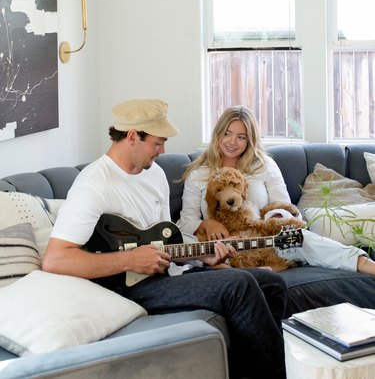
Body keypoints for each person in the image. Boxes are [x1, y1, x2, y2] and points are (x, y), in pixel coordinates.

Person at [42, 98, 288, 379]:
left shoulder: (154, 173)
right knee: (240, 284)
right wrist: (130, 259)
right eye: (157, 143)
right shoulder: (94, 184)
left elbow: (166, 241)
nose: (163, 150)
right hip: (126, 287)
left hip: (165, 275)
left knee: (273, 282)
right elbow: (55, 259)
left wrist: (200, 255)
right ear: (133, 137)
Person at [177, 105, 375, 276]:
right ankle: (237, 272)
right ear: (217, 134)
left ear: (249, 140)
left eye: (241, 137)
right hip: (225, 247)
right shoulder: (198, 174)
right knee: (201, 252)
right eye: (227, 134)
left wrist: (270, 223)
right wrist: (206, 224)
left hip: (267, 240)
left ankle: (366, 265)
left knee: (302, 238)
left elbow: (283, 207)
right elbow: (185, 221)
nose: (232, 142)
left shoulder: (264, 165)